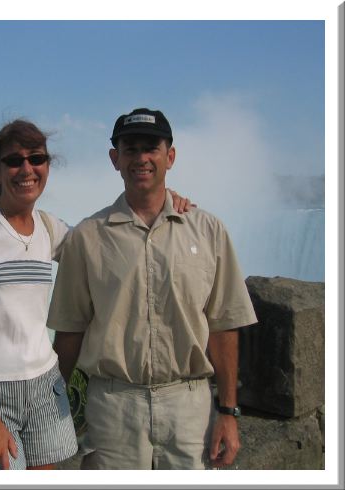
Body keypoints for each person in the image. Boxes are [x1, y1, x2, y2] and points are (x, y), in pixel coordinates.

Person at [0, 119, 194, 470]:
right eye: (13, 161)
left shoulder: (49, 229)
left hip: (43, 385)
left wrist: (162, 201)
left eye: (36, 159)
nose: (27, 169)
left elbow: (108, 241)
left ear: (47, 166)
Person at [47, 108, 258, 470]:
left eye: (151, 148)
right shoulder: (87, 237)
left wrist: (228, 411)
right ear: (115, 159)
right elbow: (69, 330)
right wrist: (52, 407)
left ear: (170, 157)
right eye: (130, 149)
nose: (141, 158)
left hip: (190, 408)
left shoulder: (208, 231)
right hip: (113, 410)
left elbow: (224, 326)